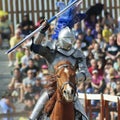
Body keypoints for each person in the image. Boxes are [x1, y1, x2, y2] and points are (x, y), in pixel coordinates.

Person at [27, 20, 91, 119]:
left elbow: (86, 75)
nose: (68, 42)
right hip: (52, 89)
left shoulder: (78, 55)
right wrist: (42, 31)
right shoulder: (51, 52)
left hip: (70, 90)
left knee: (84, 117)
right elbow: (35, 47)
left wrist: (70, 78)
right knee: (35, 114)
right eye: (67, 40)